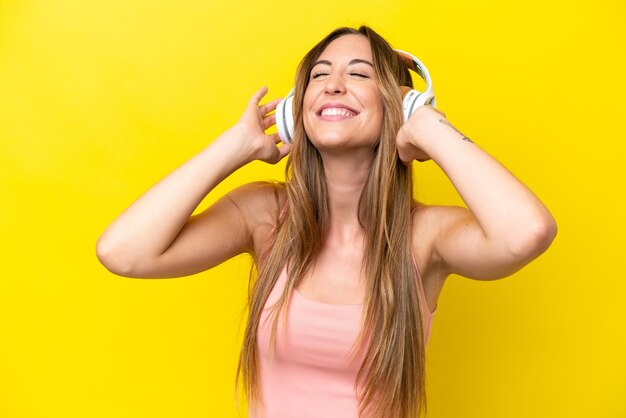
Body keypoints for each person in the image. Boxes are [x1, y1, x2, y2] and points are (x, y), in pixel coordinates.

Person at [96, 25, 557, 418]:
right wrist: (232, 147)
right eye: (319, 76)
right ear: (297, 112)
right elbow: (123, 252)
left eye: (359, 74)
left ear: (400, 106)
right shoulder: (264, 216)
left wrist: (428, 125)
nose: (333, 85)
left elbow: (527, 232)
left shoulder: (425, 238)